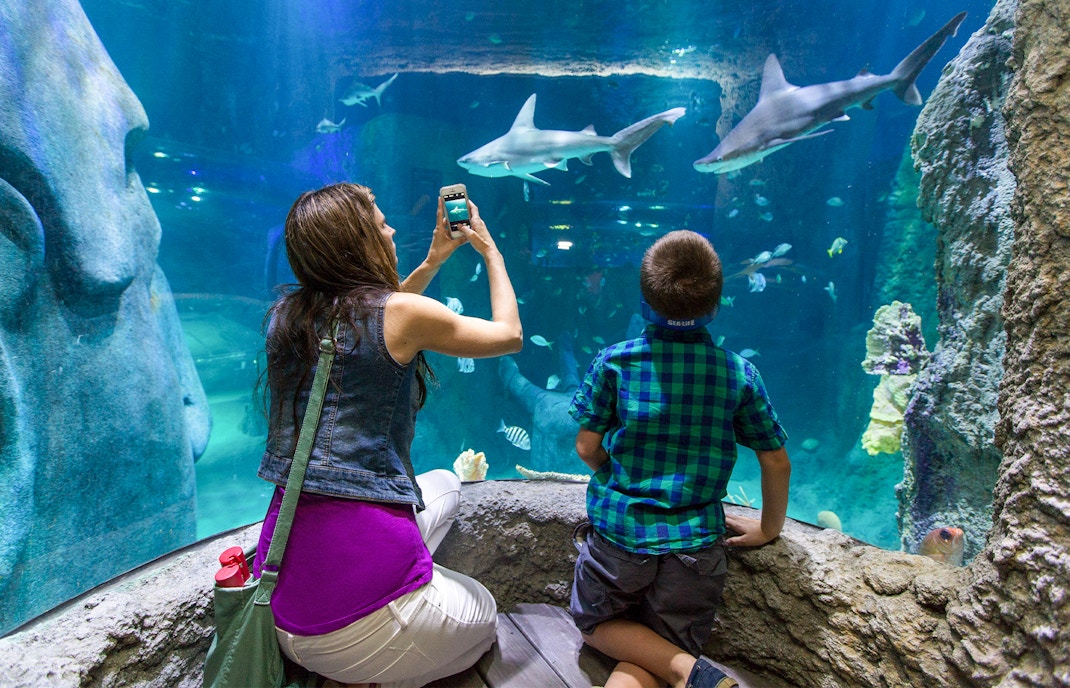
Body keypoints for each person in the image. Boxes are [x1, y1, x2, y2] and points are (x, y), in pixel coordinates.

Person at [252, 182, 522, 688]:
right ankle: (385, 651)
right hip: (352, 636)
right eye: (380, 222)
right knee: (483, 615)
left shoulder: (287, 319)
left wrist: (434, 260)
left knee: (444, 483)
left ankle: (396, 589)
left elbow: (371, 320)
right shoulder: (402, 315)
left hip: (277, 603)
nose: (391, 228)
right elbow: (509, 334)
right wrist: (491, 251)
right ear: (357, 241)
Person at [568, 230, 791, 688]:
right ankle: (690, 669)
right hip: (695, 548)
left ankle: (687, 670)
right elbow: (776, 460)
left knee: (596, 626)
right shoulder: (739, 373)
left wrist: (617, 477)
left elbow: (587, 448)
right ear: (715, 306)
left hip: (619, 539)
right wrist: (769, 528)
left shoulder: (614, 363)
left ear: (645, 304)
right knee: (665, 639)